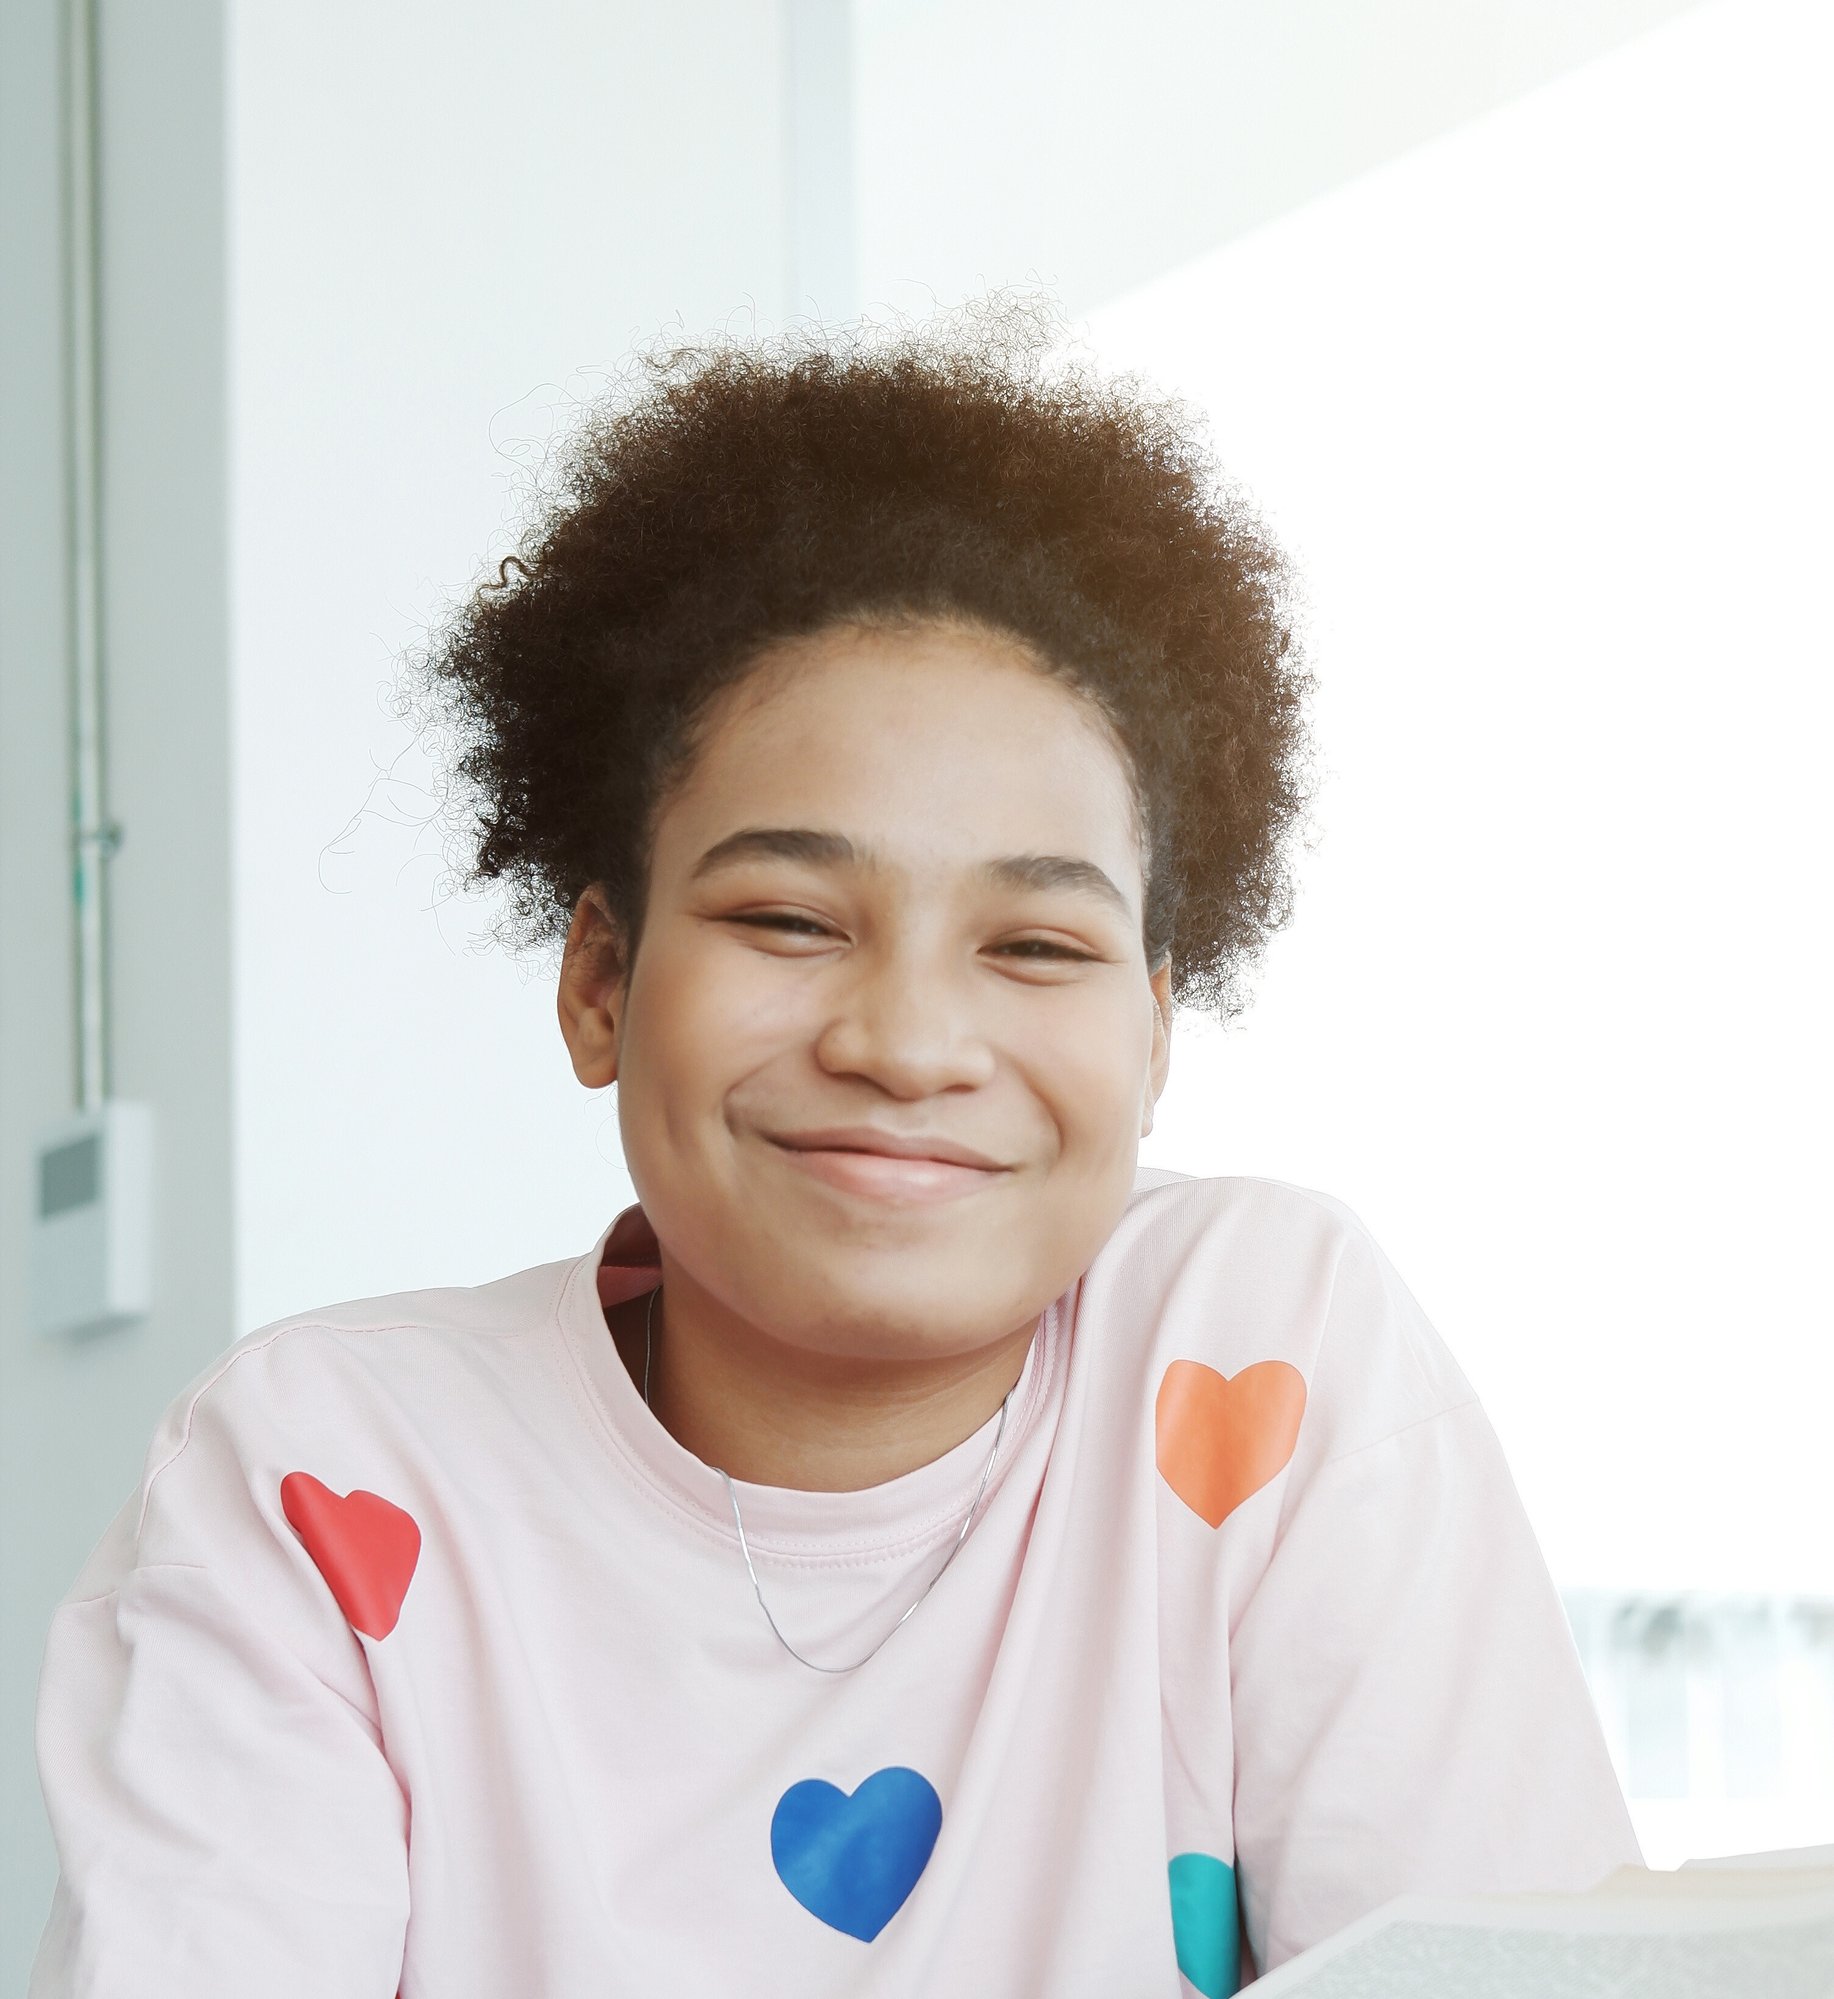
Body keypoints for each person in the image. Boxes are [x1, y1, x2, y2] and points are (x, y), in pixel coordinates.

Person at [29, 299, 1639, 1998]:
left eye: (1034, 947)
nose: (906, 1043)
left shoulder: (1262, 1340)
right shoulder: (320, 1475)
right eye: (791, 917)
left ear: (1155, 1036)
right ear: (599, 982)